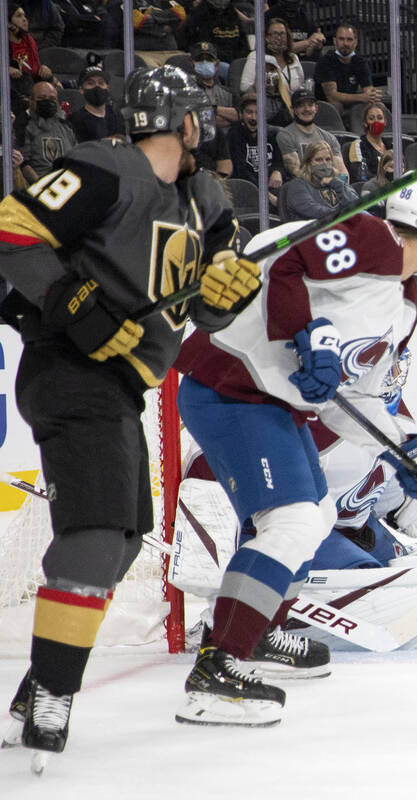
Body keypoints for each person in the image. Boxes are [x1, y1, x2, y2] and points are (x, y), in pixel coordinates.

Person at [0, 65, 260, 761]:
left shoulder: (206, 202)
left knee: (120, 541)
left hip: (119, 387)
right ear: (189, 122)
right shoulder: (105, 170)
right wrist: (74, 305)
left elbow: (206, 308)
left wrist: (229, 294)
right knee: (95, 531)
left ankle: (35, 688)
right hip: (68, 370)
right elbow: (13, 228)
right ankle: (52, 700)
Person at [171, 175, 417, 726]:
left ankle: (259, 634)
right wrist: (305, 331)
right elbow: (285, 256)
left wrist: (411, 455)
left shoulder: (403, 306)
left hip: (270, 404)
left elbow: (351, 402)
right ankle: (218, 666)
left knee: (316, 514)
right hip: (231, 384)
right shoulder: (372, 239)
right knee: (293, 522)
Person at [277, 86, 348, 181]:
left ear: (316, 108)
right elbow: (296, 171)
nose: (306, 109)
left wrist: (342, 188)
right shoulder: (285, 135)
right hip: (302, 188)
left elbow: (341, 171)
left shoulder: (329, 137)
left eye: (310, 105)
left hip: (330, 187)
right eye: (301, 105)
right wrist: (322, 184)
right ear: (292, 109)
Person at [313, 22, 379, 124]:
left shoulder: (360, 62)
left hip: (352, 105)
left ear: (356, 42)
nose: (345, 43)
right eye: (341, 39)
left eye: (349, 39)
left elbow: (369, 91)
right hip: (326, 106)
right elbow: (332, 96)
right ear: (335, 41)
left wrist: (372, 95)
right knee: (336, 105)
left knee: (377, 107)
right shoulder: (325, 61)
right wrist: (362, 97)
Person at [226, 94, 284, 207]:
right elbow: (240, 171)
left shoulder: (272, 133)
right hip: (248, 190)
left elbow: (279, 161)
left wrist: (277, 171)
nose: (254, 117)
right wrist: (265, 194)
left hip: (273, 187)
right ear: (241, 114)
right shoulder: (234, 135)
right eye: (249, 112)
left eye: (258, 113)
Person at [281, 140, 358, 221]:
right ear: (308, 162)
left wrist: (336, 183)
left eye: (328, 159)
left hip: (342, 226)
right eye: (319, 160)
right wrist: (341, 215)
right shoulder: (297, 185)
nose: (324, 163)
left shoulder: (338, 181)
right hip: (313, 230)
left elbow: (356, 205)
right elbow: (312, 210)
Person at [20, 81, 76, 181]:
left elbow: (77, 159)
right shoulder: (23, 126)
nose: (48, 102)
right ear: (31, 101)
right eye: (41, 98)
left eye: (52, 99)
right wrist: (40, 186)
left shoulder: (67, 127)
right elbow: (23, 163)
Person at [178, 0, 249, 79]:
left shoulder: (232, 13)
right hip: (210, 61)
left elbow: (243, 44)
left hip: (234, 61)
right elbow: (199, 45)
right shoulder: (200, 14)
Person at [239, 18, 305, 102]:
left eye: (282, 34)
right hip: (265, 103)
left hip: (292, 105)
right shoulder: (256, 56)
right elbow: (244, 88)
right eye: (275, 34)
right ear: (267, 37)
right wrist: (258, 84)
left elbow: (301, 85)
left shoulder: (293, 57)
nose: (279, 37)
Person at [66, 66, 123, 143]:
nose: (97, 87)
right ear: (81, 89)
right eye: (91, 83)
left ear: (107, 88)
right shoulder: (74, 121)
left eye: (101, 83)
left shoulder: (117, 116)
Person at [190, 41, 237, 129]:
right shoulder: (186, 91)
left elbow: (239, 116)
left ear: (217, 64)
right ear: (192, 63)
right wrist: (226, 116)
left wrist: (214, 109)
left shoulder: (228, 92)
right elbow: (200, 120)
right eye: (200, 59)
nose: (204, 62)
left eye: (209, 59)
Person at [346, 101, 389, 184]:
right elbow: (360, 174)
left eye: (380, 118)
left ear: (385, 122)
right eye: (371, 118)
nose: (376, 122)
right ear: (365, 123)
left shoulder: (391, 146)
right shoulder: (358, 145)